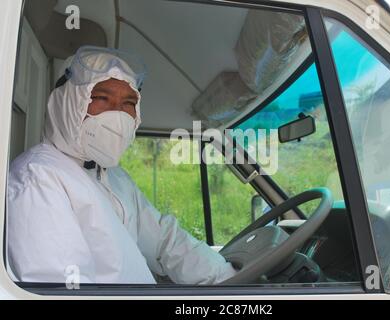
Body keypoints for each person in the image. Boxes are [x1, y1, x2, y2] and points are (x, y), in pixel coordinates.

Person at [7, 46, 237, 284]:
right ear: (67, 103)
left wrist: (226, 278)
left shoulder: (115, 177)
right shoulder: (38, 179)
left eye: (128, 103)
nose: (118, 115)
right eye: (102, 98)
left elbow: (165, 242)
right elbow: (63, 290)